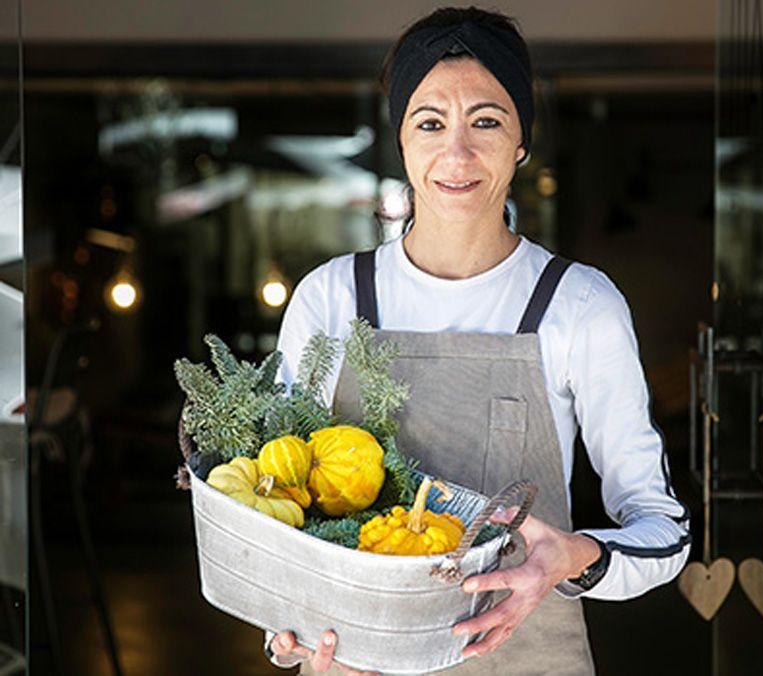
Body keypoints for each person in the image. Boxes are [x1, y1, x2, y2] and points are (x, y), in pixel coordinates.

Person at [264, 7, 690, 675]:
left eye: (486, 121)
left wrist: (572, 558)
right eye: (429, 123)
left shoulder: (578, 304)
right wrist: (289, 639)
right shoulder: (332, 298)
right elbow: (272, 503)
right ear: (400, 140)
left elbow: (663, 534)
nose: (456, 154)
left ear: (522, 140)